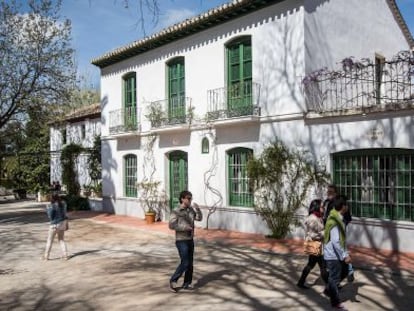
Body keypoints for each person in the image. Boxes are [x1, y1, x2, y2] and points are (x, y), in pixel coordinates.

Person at [168, 190, 203, 292]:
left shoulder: (191, 210)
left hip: (190, 239)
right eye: (188, 198)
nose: (190, 200)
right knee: (185, 262)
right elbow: (171, 225)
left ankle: (187, 283)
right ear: (182, 199)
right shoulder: (176, 211)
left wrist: (198, 209)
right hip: (181, 240)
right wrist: (184, 227)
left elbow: (199, 218)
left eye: (191, 198)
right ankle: (173, 280)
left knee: (190, 263)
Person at [323, 195, 352, 310]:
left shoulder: (337, 218)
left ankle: (329, 290)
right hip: (333, 255)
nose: (348, 207)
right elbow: (336, 241)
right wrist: (344, 255)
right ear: (343, 206)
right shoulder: (335, 220)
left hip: (333, 254)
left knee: (339, 274)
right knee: (334, 278)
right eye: (346, 205)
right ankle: (335, 302)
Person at [297, 199, 328, 289]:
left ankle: (301, 282)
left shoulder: (318, 217)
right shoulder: (313, 218)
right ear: (317, 207)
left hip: (316, 244)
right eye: (322, 206)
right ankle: (330, 287)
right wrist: (324, 233)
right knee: (322, 266)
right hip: (314, 244)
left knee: (312, 264)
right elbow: (312, 234)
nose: (324, 208)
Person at [42, 194, 69, 260]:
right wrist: (67, 224)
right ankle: (65, 255)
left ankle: (46, 256)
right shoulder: (63, 204)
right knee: (61, 240)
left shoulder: (51, 206)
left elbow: (50, 217)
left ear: (52, 199)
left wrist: (48, 209)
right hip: (62, 224)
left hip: (54, 225)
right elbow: (65, 215)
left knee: (50, 241)